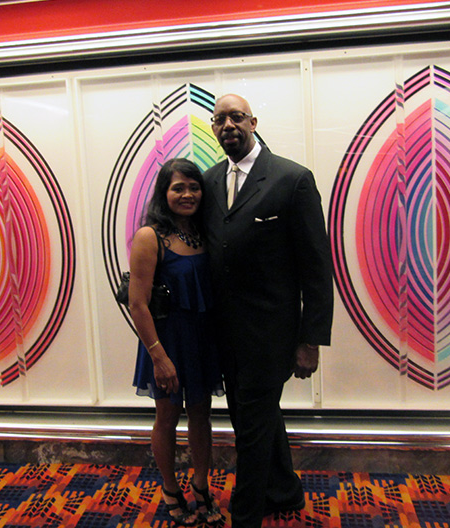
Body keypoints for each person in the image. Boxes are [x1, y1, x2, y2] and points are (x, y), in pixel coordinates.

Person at [202, 94, 334, 528]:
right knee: (253, 418)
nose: (228, 125)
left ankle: (246, 516)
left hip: (271, 336)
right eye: (219, 119)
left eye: (236, 117)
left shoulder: (292, 179)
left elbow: (317, 267)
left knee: (252, 429)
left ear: (253, 122)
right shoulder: (209, 181)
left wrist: (310, 341)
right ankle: (284, 491)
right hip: (225, 335)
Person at [130, 157, 225, 526]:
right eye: (178, 188)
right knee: (167, 416)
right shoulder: (150, 236)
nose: (188, 194)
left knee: (201, 415)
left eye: (194, 187)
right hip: (166, 342)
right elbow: (138, 304)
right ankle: (171, 490)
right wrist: (158, 356)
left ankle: (201, 485)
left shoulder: (205, 232)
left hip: (202, 339)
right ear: (164, 193)